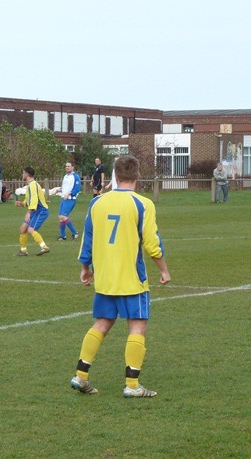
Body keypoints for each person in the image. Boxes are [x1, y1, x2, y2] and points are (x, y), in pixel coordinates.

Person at [71, 155, 171, 398]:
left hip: (105, 277)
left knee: (102, 323)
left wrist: (86, 267)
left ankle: (80, 376)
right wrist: (164, 269)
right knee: (137, 325)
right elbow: (151, 243)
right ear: (137, 176)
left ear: (115, 177)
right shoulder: (143, 204)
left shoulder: (97, 203)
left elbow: (88, 238)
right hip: (132, 280)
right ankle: (132, 386)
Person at [15, 166, 50, 256]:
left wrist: (28, 213)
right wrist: (21, 203)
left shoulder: (33, 185)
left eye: (23, 173)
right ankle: (23, 251)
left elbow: (34, 200)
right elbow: (28, 200)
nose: (22, 175)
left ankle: (44, 247)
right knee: (23, 229)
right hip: (35, 210)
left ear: (26, 174)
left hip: (41, 211)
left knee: (31, 229)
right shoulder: (30, 186)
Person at [57, 161, 81, 241]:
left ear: (72, 167)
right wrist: (60, 190)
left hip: (70, 199)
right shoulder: (66, 176)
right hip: (64, 199)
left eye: (68, 166)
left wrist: (69, 193)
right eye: (66, 166)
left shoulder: (76, 177)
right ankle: (63, 236)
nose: (67, 167)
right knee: (60, 217)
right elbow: (64, 186)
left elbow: (77, 189)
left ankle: (75, 233)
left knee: (64, 217)